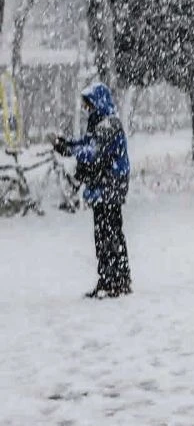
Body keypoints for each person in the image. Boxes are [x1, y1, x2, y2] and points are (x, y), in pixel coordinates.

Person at [51, 83, 132, 298]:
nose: (87, 109)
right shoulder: (100, 123)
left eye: (89, 105)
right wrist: (67, 144)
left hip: (110, 186)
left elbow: (93, 152)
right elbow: (87, 144)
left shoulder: (109, 125)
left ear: (98, 103)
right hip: (104, 186)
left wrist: (69, 150)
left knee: (109, 234)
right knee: (106, 234)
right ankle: (112, 279)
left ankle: (115, 280)